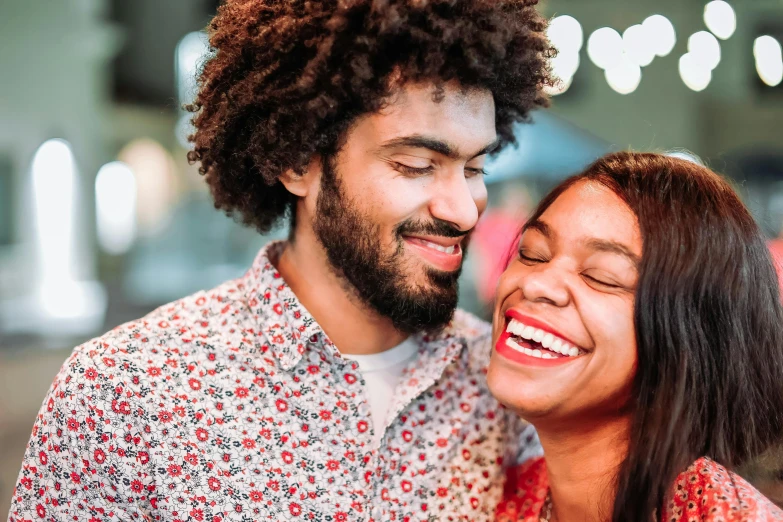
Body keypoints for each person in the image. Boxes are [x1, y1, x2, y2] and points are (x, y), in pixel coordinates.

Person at [8, 0, 553, 520]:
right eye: (415, 164)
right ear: (297, 163)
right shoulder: (126, 395)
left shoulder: (505, 386)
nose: (462, 210)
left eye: (476, 168)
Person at [489, 152, 783, 521]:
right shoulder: (488, 495)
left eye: (601, 276)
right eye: (532, 254)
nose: (535, 284)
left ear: (688, 342)